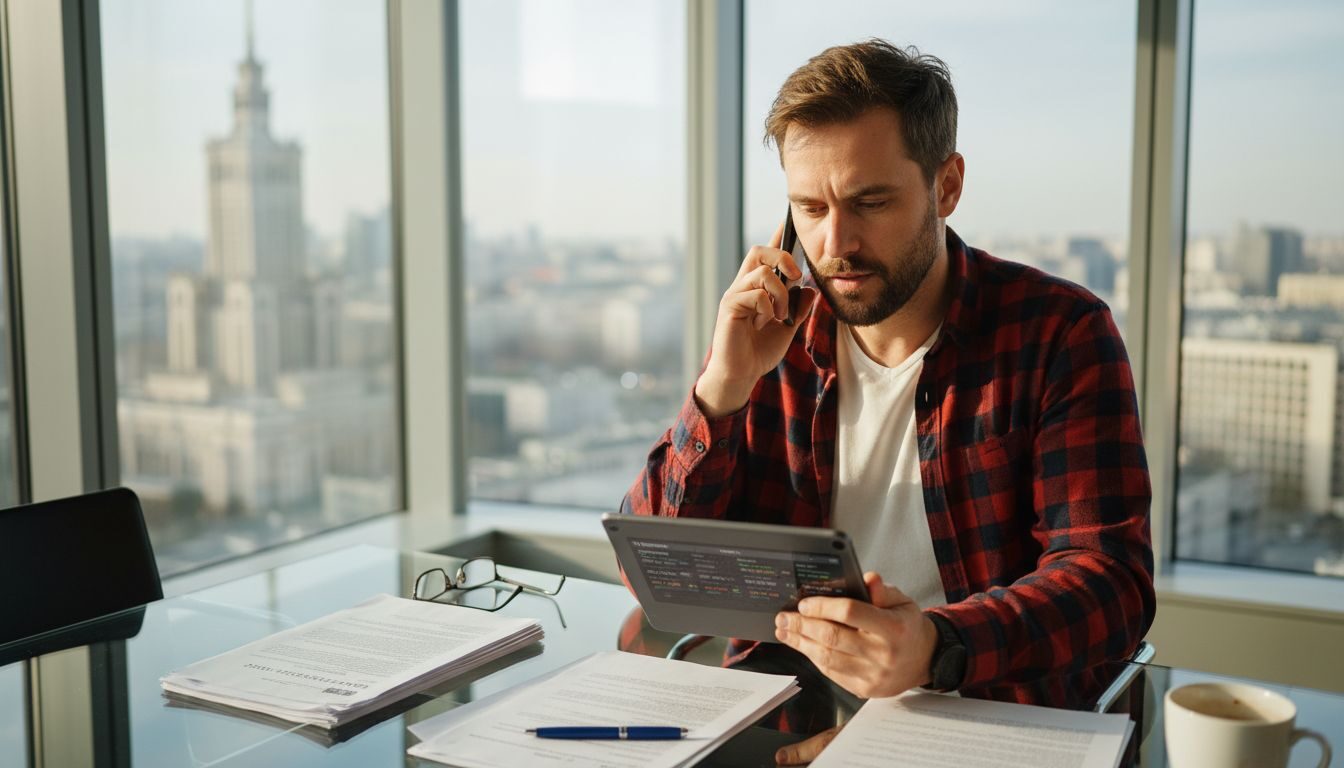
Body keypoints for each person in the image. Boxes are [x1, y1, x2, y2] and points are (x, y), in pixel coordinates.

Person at [621, 39, 1155, 714]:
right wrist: (721, 392)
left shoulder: (1058, 333)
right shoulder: (771, 340)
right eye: (810, 209)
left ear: (947, 186)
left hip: (983, 716)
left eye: (870, 202)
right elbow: (655, 568)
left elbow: (1110, 583)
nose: (835, 245)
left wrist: (935, 645)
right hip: (797, 715)